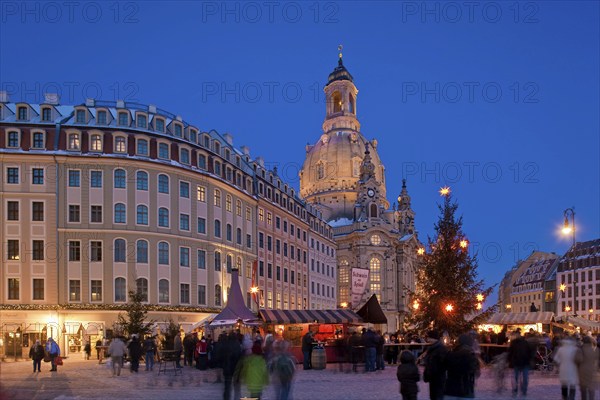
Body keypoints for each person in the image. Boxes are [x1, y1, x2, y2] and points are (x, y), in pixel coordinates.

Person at [444, 333, 480, 399]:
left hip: (450, 389)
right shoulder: (471, 356)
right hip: (466, 390)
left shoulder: (451, 354)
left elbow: (443, 368)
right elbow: (477, 373)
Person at [507, 328, 536, 398]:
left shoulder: (515, 343)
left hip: (519, 362)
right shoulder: (524, 342)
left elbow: (510, 353)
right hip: (523, 362)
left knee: (516, 378)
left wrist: (509, 361)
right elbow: (530, 352)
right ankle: (522, 390)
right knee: (522, 378)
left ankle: (518, 390)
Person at [553, 335, 581, 400]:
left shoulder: (561, 349)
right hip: (573, 369)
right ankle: (571, 398)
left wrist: (558, 367)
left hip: (563, 369)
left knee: (564, 385)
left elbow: (556, 359)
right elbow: (579, 360)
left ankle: (564, 398)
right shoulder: (575, 349)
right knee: (572, 385)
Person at [423, 330, 448, 400]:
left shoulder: (440, 349)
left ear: (432, 338)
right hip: (433, 378)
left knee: (437, 396)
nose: (427, 339)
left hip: (438, 378)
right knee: (433, 396)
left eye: (428, 337)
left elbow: (443, 364)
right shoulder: (432, 348)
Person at [220, 331, 242, 400]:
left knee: (227, 387)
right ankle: (237, 398)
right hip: (236, 368)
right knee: (237, 386)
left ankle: (226, 398)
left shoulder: (226, 344)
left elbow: (223, 355)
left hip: (227, 368)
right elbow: (239, 356)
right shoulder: (237, 344)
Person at [577, 335, 598, 400]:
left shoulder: (580, 349)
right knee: (591, 389)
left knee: (583, 389)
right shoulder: (595, 350)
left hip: (582, 371)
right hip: (593, 371)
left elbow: (578, 360)